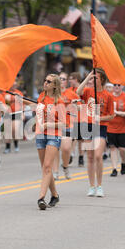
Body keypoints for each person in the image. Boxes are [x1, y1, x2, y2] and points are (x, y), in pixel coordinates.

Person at [76, 69, 114, 197]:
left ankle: (100, 185)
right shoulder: (88, 91)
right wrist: (88, 77)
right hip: (88, 126)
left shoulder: (108, 96)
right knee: (90, 157)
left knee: (98, 156)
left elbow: (111, 115)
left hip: (100, 127)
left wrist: (101, 118)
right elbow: (78, 91)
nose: (93, 81)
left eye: (95, 78)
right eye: (92, 78)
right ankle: (91, 186)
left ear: (102, 79)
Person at [35, 74, 65, 210]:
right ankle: (55, 195)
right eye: (45, 80)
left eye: (49, 81)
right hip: (40, 135)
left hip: (54, 135)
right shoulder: (41, 97)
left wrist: (48, 125)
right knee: (45, 168)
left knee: (47, 166)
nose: (45, 83)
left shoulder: (59, 101)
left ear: (55, 85)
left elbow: (63, 124)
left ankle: (41, 198)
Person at [53, 73, 79, 180]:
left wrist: (73, 105)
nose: (62, 80)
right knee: (54, 149)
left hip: (67, 125)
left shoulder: (71, 93)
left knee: (66, 148)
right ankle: (55, 172)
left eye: (64, 79)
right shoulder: (52, 93)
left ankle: (65, 166)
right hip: (54, 125)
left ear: (66, 81)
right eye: (60, 79)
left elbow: (79, 108)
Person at [108, 84, 125, 176]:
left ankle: (123, 163)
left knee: (122, 149)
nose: (116, 86)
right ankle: (114, 169)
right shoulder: (109, 96)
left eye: (119, 85)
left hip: (123, 127)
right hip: (110, 127)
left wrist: (117, 113)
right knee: (113, 147)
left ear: (122, 87)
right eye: (115, 85)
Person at [68, 72, 85, 166]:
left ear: (76, 79)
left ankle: (81, 157)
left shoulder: (82, 89)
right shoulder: (69, 90)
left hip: (81, 117)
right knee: (72, 138)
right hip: (71, 117)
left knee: (80, 139)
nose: (70, 81)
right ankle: (71, 154)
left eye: (71, 79)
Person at [3, 80, 24, 154]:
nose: (14, 85)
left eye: (15, 84)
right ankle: (7, 147)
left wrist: (22, 113)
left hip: (17, 112)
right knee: (8, 131)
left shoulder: (19, 93)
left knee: (15, 129)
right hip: (7, 113)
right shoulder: (5, 92)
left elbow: (22, 104)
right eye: (13, 84)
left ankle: (16, 145)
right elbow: (1, 103)